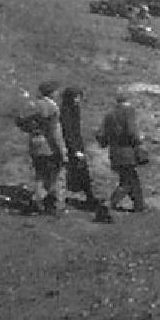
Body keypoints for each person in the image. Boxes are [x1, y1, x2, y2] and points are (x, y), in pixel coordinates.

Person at [60, 87, 113, 222]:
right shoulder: (66, 110)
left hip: (77, 145)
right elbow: (68, 131)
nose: (78, 100)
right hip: (72, 147)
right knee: (77, 171)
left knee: (82, 172)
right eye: (76, 97)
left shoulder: (73, 109)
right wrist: (75, 149)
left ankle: (88, 196)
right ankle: (84, 197)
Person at [19, 81, 66, 215]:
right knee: (54, 176)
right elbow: (54, 132)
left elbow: (20, 121)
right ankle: (52, 204)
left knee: (40, 175)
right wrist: (62, 150)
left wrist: (32, 130)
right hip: (49, 146)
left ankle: (38, 203)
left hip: (35, 143)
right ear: (52, 92)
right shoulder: (52, 107)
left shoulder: (33, 105)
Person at [96, 92, 148, 213]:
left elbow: (100, 135)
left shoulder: (109, 114)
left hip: (114, 152)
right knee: (128, 181)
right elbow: (132, 131)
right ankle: (110, 203)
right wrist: (139, 139)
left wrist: (107, 143)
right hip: (127, 151)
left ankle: (139, 206)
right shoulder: (128, 111)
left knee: (131, 178)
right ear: (128, 100)